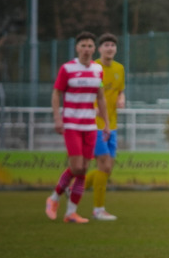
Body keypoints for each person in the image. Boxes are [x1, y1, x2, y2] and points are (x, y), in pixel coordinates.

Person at [45, 31, 109, 224]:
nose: (86, 49)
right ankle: (54, 198)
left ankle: (71, 213)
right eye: (83, 45)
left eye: (90, 46)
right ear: (77, 48)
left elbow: (101, 97)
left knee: (83, 169)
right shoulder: (68, 69)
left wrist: (105, 123)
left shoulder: (98, 70)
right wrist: (57, 118)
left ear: (94, 49)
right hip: (71, 124)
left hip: (90, 125)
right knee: (76, 167)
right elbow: (56, 94)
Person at [85, 33, 126, 220]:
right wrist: (93, 108)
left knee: (107, 169)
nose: (110, 48)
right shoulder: (94, 68)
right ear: (99, 49)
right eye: (106, 45)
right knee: (104, 166)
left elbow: (120, 90)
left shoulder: (120, 68)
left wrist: (121, 98)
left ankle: (74, 187)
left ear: (115, 49)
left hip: (113, 125)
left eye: (112, 45)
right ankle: (98, 209)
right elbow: (91, 92)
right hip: (96, 125)